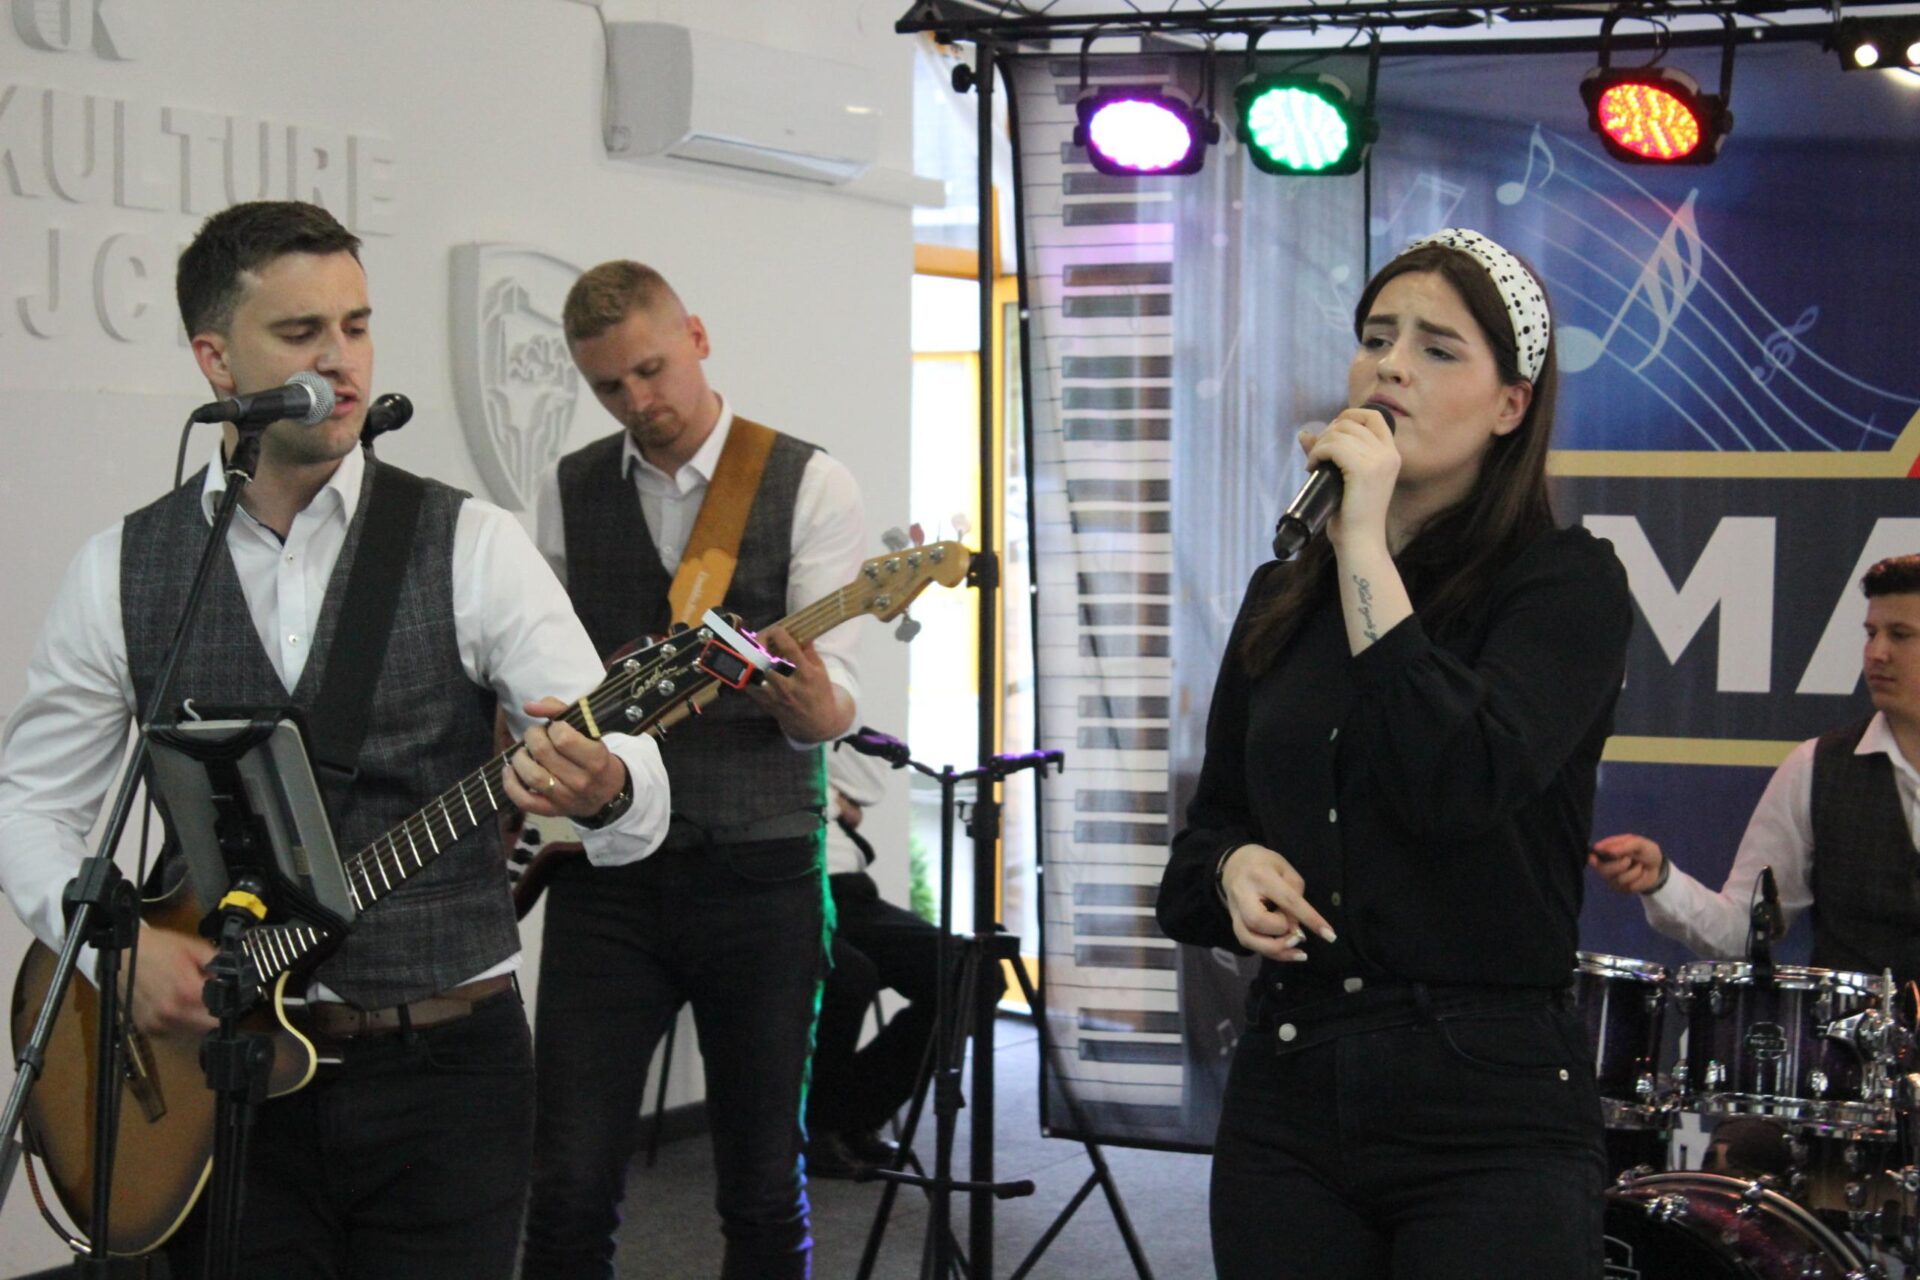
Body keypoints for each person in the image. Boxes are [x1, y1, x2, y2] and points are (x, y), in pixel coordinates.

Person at [0, 200, 670, 1280]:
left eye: (356, 326)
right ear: (216, 359)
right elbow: (30, 803)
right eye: (301, 332)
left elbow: (631, 771)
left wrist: (605, 786)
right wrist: (112, 949)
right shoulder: (121, 569)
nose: (341, 359)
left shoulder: (472, 543)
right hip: (219, 1079)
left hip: (444, 1072)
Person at [1155, 228, 1633, 1279]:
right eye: (1376, 338)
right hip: (1290, 1085)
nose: (1390, 367)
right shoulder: (1283, 595)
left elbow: (1457, 780)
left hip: (1487, 1097)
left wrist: (1364, 547)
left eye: (1437, 347)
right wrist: (1230, 866)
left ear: (1511, 405)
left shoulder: (1565, 584)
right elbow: (1196, 855)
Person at [520, 260, 864, 1279]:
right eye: (609, 385)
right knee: (566, 1184)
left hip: (761, 870)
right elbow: (539, 674)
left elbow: (831, 705)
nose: (638, 401)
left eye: (652, 370)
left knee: (760, 1183)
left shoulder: (810, 481)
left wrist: (803, 699)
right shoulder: (568, 489)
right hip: (604, 874)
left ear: (698, 337)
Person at [1592, 554, 1920, 987]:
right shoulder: (1816, 767)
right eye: (1871, 633)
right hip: (1853, 1030)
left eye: (1900, 635)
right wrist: (1662, 881)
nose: (1877, 653)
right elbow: (1744, 932)